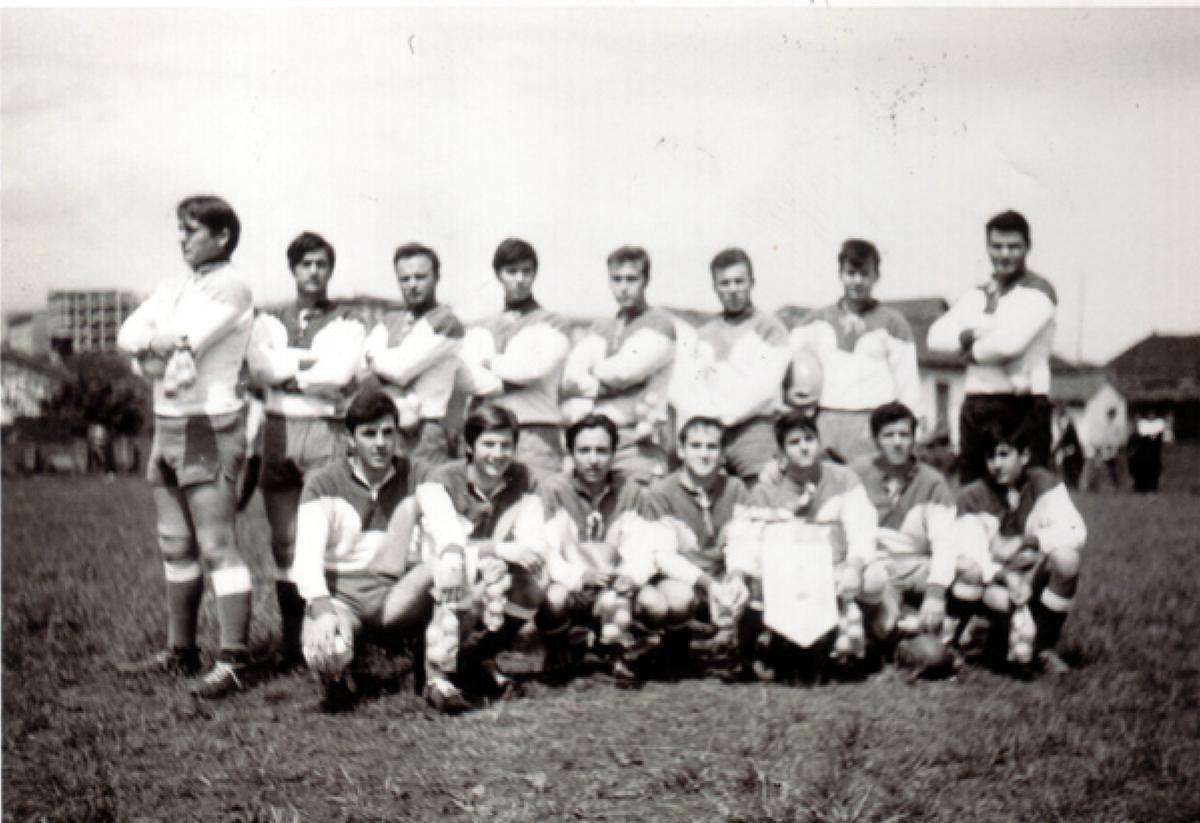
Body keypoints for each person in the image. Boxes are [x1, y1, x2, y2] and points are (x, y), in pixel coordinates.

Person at [116, 195, 256, 698]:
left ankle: (235, 659)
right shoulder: (174, 286)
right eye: (179, 228)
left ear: (222, 236)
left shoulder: (232, 286)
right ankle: (182, 651)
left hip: (206, 424)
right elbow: (128, 335)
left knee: (216, 544)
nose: (182, 238)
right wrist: (156, 345)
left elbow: (185, 343)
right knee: (174, 543)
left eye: (191, 229)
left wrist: (157, 345)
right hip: (168, 422)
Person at [246, 231, 366, 669]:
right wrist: (311, 368)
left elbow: (340, 373)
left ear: (330, 269)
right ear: (293, 269)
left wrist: (289, 370)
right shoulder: (268, 319)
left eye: (321, 264)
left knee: (325, 536)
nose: (313, 272)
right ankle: (292, 639)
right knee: (284, 542)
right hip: (278, 429)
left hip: (324, 430)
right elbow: (260, 368)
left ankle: (332, 635)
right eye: (305, 264)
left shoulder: (348, 319)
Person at [291, 390, 435, 710]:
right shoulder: (322, 483)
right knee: (324, 650)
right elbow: (306, 561)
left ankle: (436, 668)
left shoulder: (418, 474)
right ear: (350, 439)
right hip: (344, 596)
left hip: (397, 594)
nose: (380, 443)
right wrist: (323, 611)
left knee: (450, 568)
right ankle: (340, 676)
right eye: (369, 434)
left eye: (388, 433)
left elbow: (444, 530)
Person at [538, 413, 704, 683]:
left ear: (614, 453)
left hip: (618, 586)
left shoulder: (631, 490)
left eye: (602, 451)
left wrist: (630, 576)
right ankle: (560, 649)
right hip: (573, 583)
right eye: (584, 451)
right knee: (552, 598)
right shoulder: (553, 489)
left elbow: (645, 547)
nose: (593, 459)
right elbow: (546, 549)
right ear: (570, 453)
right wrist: (581, 576)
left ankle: (626, 650)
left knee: (660, 602)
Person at [726, 409, 884, 679]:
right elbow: (745, 539)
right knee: (748, 579)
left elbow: (862, 528)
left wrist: (855, 567)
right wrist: (738, 575)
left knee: (874, 577)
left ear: (819, 442)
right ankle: (755, 648)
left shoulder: (843, 478)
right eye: (794, 442)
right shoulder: (766, 489)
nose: (803, 447)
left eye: (809, 439)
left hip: (833, 570)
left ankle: (861, 647)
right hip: (786, 576)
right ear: (782, 452)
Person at [414, 403, 550, 712]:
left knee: (533, 583)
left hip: (495, 568)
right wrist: (498, 550)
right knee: (459, 575)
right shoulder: (441, 479)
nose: (498, 454)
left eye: (506, 445)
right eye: (488, 444)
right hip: (437, 572)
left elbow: (532, 542)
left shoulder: (524, 477)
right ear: (469, 446)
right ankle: (436, 676)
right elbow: (447, 543)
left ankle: (479, 655)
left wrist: (501, 560)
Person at [927, 211, 1057, 484]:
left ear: (1028, 247)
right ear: (987, 247)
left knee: (1027, 494)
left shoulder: (1039, 291)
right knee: (974, 494)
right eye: (997, 246)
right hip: (977, 403)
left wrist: (968, 351)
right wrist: (977, 333)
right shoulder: (976, 295)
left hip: (1023, 404)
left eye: (1013, 246)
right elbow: (935, 338)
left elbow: (1010, 345)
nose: (1005, 254)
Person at [951, 416, 1085, 675]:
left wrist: (1024, 541)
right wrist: (1006, 575)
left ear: (1024, 455)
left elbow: (1075, 531)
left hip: (1030, 578)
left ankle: (1043, 648)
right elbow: (969, 555)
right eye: (990, 457)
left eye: (1004, 455)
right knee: (974, 574)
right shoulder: (972, 496)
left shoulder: (1043, 484)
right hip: (990, 583)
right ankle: (970, 638)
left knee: (1067, 559)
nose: (996, 464)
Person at [787, 240, 921, 462]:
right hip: (826, 420)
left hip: (872, 422)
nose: (857, 281)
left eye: (864, 274)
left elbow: (908, 386)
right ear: (840, 274)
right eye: (851, 273)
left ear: (876, 276)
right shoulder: (817, 320)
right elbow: (783, 357)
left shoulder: (893, 323)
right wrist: (789, 394)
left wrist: (909, 433)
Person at [638, 415, 744, 675]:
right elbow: (664, 557)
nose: (704, 454)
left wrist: (736, 576)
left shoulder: (735, 488)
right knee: (679, 597)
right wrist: (707, 584)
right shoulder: (661, 492)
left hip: (721, 573)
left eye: (712, 447)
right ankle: (675, 643)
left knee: (752, 578)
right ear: (681, 450)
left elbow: (742, 540)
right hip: (683, 577)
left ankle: (743, 649)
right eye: (695, 446)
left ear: (723, 454)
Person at [561, 246, 676, 484]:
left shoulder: (660, 324)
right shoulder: (603, 326)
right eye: (617, 279)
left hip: (638, 440)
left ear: (646, 280)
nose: (623, 287)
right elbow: (570, 374)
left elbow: (623, 373)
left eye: (631, 279)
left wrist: (591, 375)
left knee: (639, 503)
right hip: (596, 439)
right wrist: (611, 384)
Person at [458, 238, 572, 480]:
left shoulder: (553, 322)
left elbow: (533, 370)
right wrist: (510, 380)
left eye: (526, 271)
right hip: (485, 433)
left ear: (534, 273)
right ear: (498, 274)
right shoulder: (480, 326)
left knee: (539, 498)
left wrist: (489, 363)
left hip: (534, 433)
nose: (519, 279)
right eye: (511, 271)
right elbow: (466, 377)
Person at [849, 402, 957, 641]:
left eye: (904, 434)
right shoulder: (856, 473)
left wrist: (936, 593)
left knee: (962, 574)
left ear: (914, 438)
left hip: (917, 566)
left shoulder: (932, 481)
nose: (897, 442)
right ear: (876, 440)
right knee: (883, 627)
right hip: (877, 566)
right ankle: (893, 626)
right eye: (888, 435)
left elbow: (944, 542)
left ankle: (942, 626)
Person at [361, 243, 465, 463]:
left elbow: (400, 370)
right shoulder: (389, 321)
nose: (412, 285)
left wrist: (374, 360)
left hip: (425, 431)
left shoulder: (445, 322)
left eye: (420, 277)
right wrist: (378, 364)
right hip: (386, 428)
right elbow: (361, 369)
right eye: (405, 279)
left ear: (436, 277)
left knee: (427, 484)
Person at [693, 248, 790, 483]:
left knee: (760, 493)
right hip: (712, 432)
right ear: (715, 287)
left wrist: (723, 417)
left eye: (739, 281)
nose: (733, 289)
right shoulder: (704, 334)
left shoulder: (771, 328)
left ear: (752, 283)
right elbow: (696, 384)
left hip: (754, 428)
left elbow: (764, 389)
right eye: (725, 283)